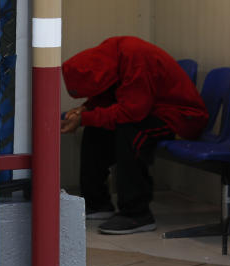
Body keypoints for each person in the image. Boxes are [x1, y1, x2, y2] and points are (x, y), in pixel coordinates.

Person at [61, 36, 209, 235]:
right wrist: (85, 109)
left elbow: (132, 112)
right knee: (96, 130)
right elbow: (109, 92)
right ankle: (97, 204)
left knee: (131, 132)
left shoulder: (135, 58)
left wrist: (85, 117)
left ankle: (137, 214)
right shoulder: (112, 54)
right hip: (153, 110)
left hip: (182, 118)